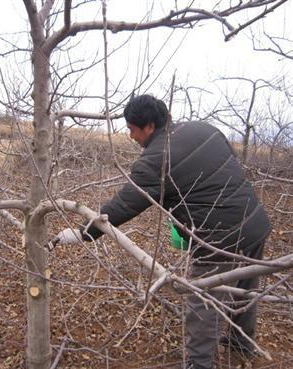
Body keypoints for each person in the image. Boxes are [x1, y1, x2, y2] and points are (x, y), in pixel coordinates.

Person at [50, 94, 271, 369]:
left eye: (132, 129)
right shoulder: (204, 129)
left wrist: (83, 233)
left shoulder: (156, 159)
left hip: (219, 238)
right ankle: (241, 343)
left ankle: (199, 364)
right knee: (245, 289)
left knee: (203, 302)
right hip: (255, 223)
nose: (130, 136)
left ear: (149, 126)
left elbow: (121, 206)